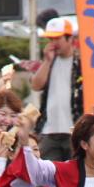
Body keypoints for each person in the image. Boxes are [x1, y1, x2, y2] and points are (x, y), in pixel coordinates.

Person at [30, 17, 83, 162]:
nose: (53, 43)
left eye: (57, 38)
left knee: (74, 172)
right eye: (50, 39)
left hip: (75, 130)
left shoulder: (81, 62)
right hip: (48, 131)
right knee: (47, 172)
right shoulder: (49, 61)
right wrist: (47, 61)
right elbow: (36, 85)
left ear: (69, 38)